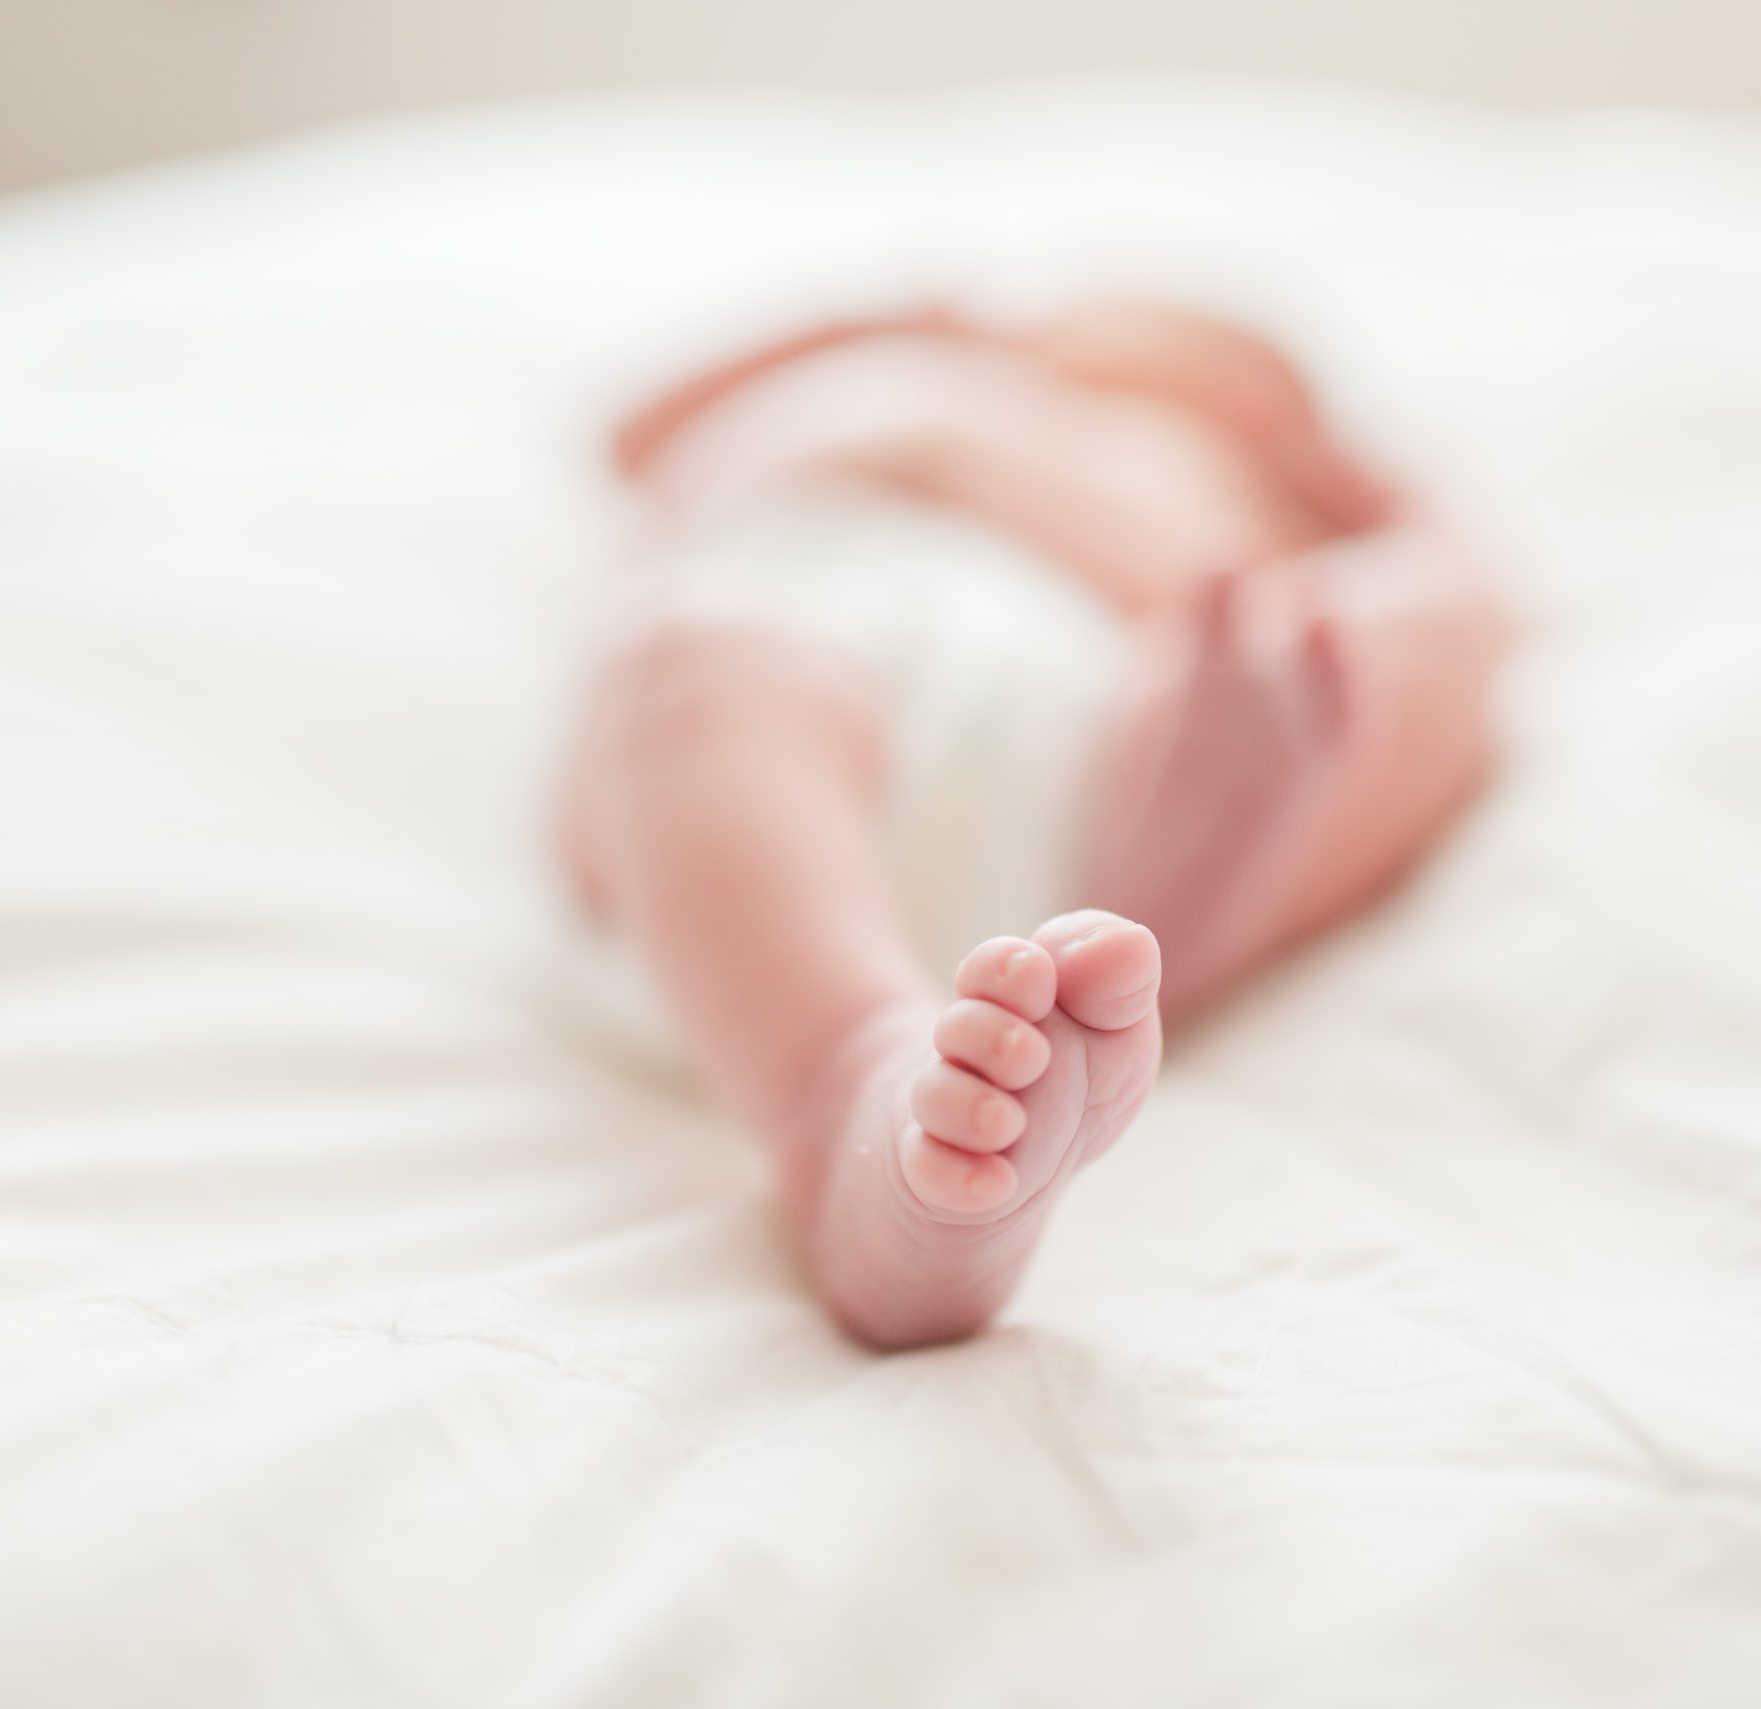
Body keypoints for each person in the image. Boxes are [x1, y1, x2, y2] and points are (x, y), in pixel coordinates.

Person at [558, 298, 1509, 1347]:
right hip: (787, 674)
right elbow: (627, 434)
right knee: (696, 665)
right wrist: (905, 311)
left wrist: (1407, 544)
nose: (1248, 406)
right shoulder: (924, 369)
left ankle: (1171, 897)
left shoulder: (1224, 492)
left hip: (1094, 724)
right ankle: (846, 1086)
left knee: (1376, 646)